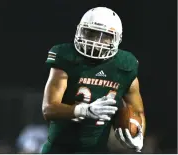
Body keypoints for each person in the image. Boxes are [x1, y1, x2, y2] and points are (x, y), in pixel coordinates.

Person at [41, 7, 146, 154]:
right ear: (80, 31)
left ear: (117, 39)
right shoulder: (66, 56)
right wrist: (84, 110)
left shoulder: (125, 64)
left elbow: (137, 111)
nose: (96, 41)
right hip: (59, 149)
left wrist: (139, 134)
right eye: (91, 33)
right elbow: (48, 108)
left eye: (105, 36)